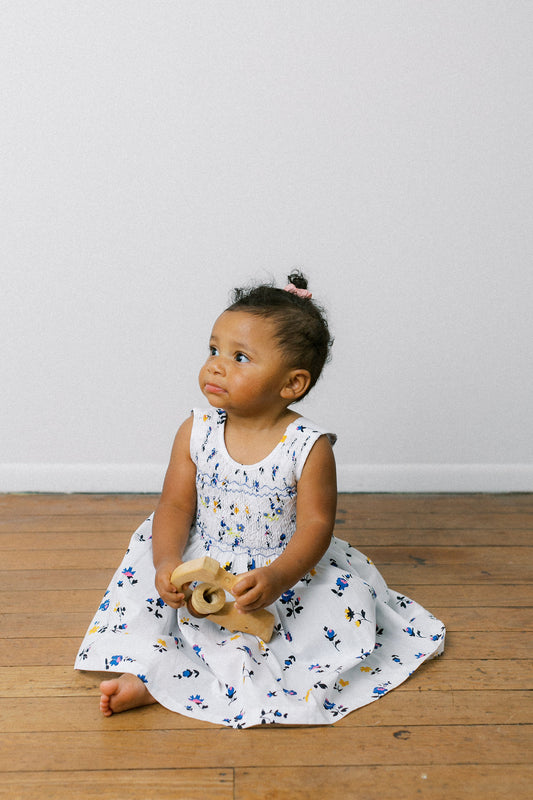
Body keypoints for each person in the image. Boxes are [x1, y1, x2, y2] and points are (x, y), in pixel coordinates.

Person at [75, 271, 445, 727]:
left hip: (279, 568)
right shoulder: (197, 431)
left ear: (292, 384)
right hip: (201, 561)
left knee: (277, 639)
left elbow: (315, 526)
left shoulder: (307, 446)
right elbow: (173, 506)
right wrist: (166, 561)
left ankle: (168, 684)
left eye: (240, 357)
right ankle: (148, 673)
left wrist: (277, 576)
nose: (216, 365)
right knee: (160, 615)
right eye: (213, 350)